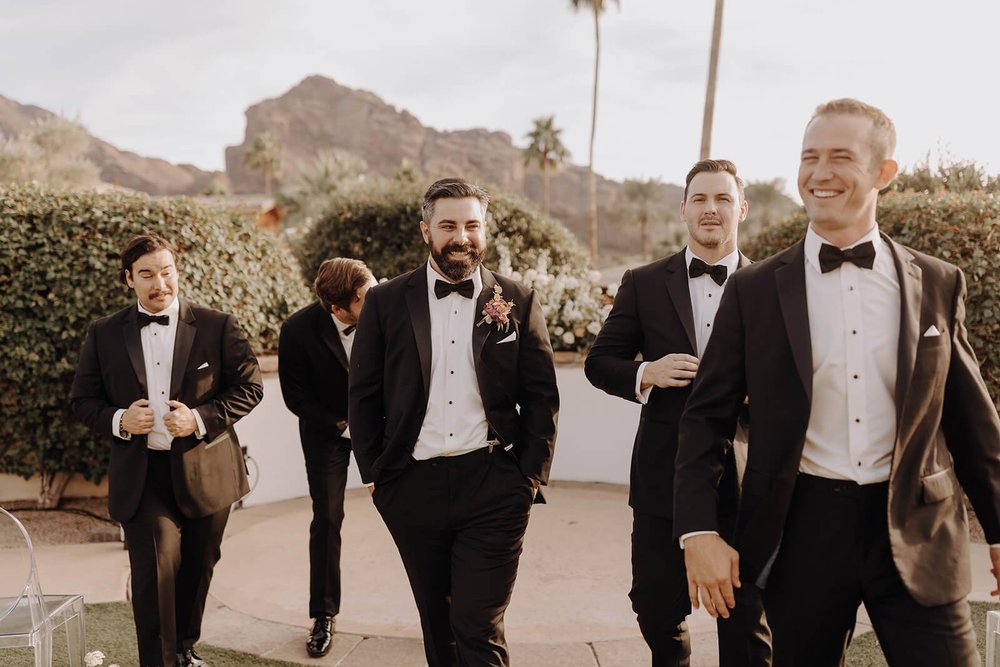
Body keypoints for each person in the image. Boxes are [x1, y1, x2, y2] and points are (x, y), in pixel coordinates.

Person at [674, 99, 1000, 666]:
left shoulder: (939, 283)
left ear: (883, 173)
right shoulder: (752, 291)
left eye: (840, 157)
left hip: (919, 526)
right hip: (801, 532)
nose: (819, 173)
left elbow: (971, 421)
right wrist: (698, 531)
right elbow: (706, 416)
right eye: (810, 157)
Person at [348, 177, 559, 667]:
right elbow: (362, 394)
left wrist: (529, 475)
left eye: (472, 224)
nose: (461, 235)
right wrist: (378, 476)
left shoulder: (517, 299)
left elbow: (542, 395)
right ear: (426, 231)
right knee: (437, 624)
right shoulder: (384, 302)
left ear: (484, 231)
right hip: (411, 483)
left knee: (477, 623)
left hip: (495, 483)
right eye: (448, 225)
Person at [585, 159, 770, 667]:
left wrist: (766, 391)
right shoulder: (643, 282)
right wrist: (648, 372)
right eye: (701, 200)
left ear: (742, 209)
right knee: (654, 605)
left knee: (747, 617)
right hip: (663, 474)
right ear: (684, 209)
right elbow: (600, 363)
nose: (712, 210)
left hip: (747, 478)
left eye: (723, 199)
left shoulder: (773, 285)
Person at [71, 233, 263, 667]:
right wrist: (120, 420)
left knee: (198, 569)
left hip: (207, 471)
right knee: (154, 574)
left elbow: (250, 387)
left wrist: (197, 419)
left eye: (166, 271)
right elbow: (83, 401)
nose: (160, 283)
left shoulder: (218, 326)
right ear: (129, 280)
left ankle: (183, 650)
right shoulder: (103, 333)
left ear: (177, 271)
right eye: (147, 275)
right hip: (143, 475)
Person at [278, 257, 376, 658]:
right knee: (328, 519)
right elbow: (295, 397)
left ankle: (442, 613)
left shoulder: (386, 312)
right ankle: (323, 614)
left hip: (384, 431)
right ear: (338, 308)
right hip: (326, 434)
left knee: (417, 514)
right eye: (367, 297)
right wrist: (342, 426)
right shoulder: (297, 330)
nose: (378, 298)